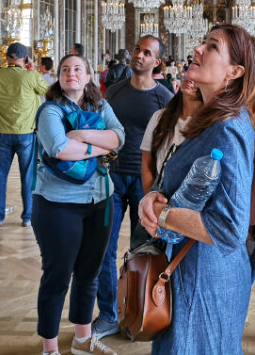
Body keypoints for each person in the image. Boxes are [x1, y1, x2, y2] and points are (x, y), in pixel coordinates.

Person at [139, 24, 255, 354]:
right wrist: (154, 196)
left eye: (211, 46)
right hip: (190, 268)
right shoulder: (212, 119)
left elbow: (228, 229)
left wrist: (163, 214)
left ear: (234, 71)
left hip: (205, 278)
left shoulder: (228, 127)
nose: (197, 49)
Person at [33, 53, 124, 355]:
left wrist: (83, 137)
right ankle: (49, 348)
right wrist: (100, 146)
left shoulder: (101, 105)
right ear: (59, 77)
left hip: (100, 201)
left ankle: (82, 340)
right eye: (65, 70)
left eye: (78, 69)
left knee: (89, 274)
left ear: (88, 77)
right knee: (57, 277)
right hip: (59, 205)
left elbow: (119, 137)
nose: (71, 73)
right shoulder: (50, 110)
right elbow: (59, 148)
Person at [93, 35, 173, 339]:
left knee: (143, 250)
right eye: (138, 49)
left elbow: (168, 143)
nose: (139, 55)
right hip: (111, 179)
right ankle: (109, 313)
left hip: (145, 183)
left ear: (157, 63)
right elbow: (102, 129)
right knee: (104, 248)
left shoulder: (165, 98)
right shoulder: (114, 91)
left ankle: (140, 311)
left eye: (147, 52)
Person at [0, 42, 49, 228]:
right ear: (25, 59)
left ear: (6, 57)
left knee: (0, 176)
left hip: (2, 133)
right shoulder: (30, 76)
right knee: (28, 176)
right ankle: (27, 217)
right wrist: (34, 70)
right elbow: (48, 91)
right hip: (26, 134)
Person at [140, 76, 203, 195]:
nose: (190, 79)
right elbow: (146, 158)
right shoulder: (160, 116)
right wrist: (150, 193)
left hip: (189, 193)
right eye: (189, 74)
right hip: (159, 187)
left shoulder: (208, 125)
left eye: (197, 78)